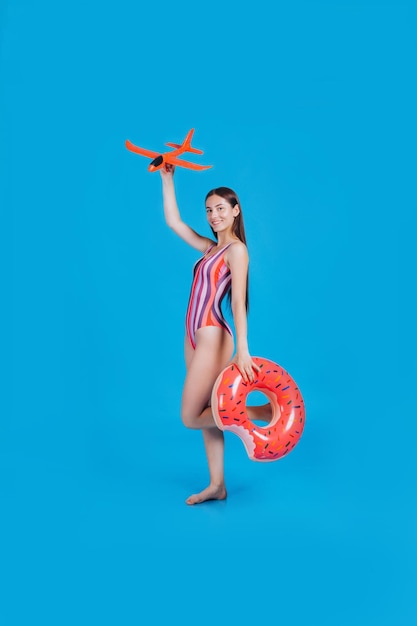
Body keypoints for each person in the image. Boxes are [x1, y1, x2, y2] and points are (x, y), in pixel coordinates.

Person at [160, 164, 269, 505]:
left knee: (191, 415)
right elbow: (174, 223)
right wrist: (167, 179)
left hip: (212, 333)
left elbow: (238, 302)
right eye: (209, 210)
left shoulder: (237, 250)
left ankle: (262, 412)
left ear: (236, 211)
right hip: (192, 333)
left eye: (221, 208)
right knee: (207, 412)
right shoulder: (210, 248)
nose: (214, 215)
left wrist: (243, 349)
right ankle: (217, 485)